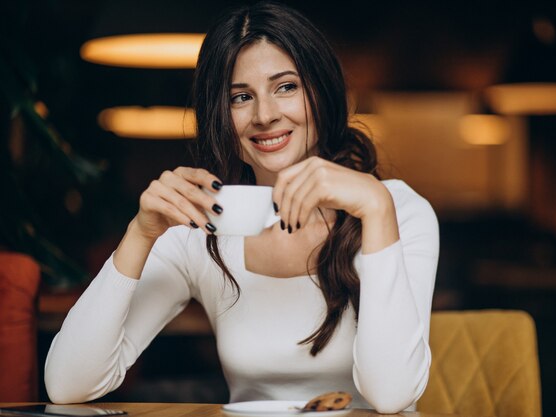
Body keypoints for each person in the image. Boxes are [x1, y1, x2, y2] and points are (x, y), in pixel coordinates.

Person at [44, 1, 439, 413]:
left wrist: (376, 208)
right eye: (240, 97)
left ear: (321, 92)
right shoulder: (204, 224)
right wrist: (140, 234)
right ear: (220, 115)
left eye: (286, 87)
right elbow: (67, 384)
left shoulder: (398, 211)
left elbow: (392, 396)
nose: (265, 115)